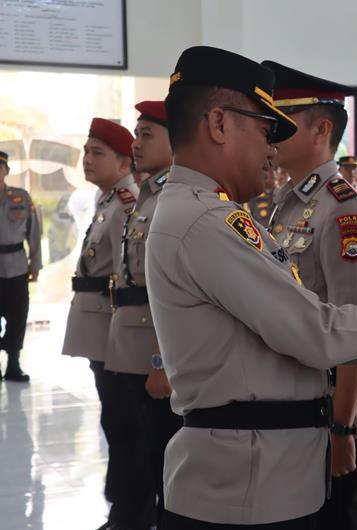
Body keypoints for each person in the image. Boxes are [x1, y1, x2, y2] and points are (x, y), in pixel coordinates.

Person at [145, 46, 357, 530]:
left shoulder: (200, 211)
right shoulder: (206, 221)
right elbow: (315, 331)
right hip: (250, 483)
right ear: (218, 124)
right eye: (263, 129)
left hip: (260, 469)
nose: (270, 148)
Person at [263, 59, 357, 530]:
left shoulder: (343, 211)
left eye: (282, 120)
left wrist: (341, 426)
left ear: (321, 128)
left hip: (337, 409)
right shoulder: (289, 202)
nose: (270, 132)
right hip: (304, 402)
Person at [61, 118, 145, 530]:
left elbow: (130, 278)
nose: (87, 160)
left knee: (127, 426)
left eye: (97, 153)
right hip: (103, 333)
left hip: (118, 335)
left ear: (123, 159)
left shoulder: (128, 201)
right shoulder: (108, 199)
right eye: (85, 152)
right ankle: (124, 509)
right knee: (116, 423)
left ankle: (132, 513)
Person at [104, 100, 182, 530]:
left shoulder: (172, 199)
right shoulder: (149, 195)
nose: (136, 144)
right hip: (133, 344)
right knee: (138, 443)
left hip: (155, 351)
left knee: (162, 450)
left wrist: (161, 361)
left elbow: (168, 295)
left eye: (147, 134)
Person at [0, 150, 41, 382]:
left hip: (16, 266)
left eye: (0, 168)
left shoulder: (21, 197)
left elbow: (34, 232)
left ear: (6, 170)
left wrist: (35, 264)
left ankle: (13, 364)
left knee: (17, 316)